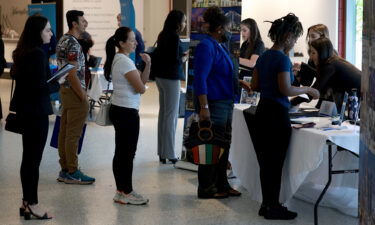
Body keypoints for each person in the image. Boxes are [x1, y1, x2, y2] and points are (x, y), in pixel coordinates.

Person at [241, 13, 320, 219]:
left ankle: (266, 204)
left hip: (262, 110)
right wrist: (307, 90)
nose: (295, 42)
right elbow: (285, 89)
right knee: (275, 164)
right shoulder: (282, 59)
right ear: (287, 36)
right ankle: (273, 206)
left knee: (266, 163)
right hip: (276, 114)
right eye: (294, 38)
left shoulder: (265, 56)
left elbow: (255, 85)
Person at [193, 6, 241, 199]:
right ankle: (206, 187)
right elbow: (200, 79)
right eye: (228, 27)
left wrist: (240, 82)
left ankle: (221, 183)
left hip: (226, 100)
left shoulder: (220, 45)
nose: (230, 30)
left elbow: (221, 72)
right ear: (220, 28)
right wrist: (204, 107)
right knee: (212, 145)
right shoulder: (207, 45)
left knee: (224, 145)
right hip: (214, 103)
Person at [11, 15, 54, 220]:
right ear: (37, 32)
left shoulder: (22, 52)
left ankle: (26, 202)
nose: (51, 33)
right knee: (32, 161)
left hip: (27, 112)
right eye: (47, 30)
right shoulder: (37, 54)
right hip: (36, 114)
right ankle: (32, 204)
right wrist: (59, 81)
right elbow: (39, 88)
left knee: (28, 159)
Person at [104, 26, 151, 205]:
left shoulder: (122, 59)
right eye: (132, 40)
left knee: (123, 151)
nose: (136, 43)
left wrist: (148, 64)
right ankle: (126, 190)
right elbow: (141, 89)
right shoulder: (124, 61)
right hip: (126, 112)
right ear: (122, 43)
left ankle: (121, 190)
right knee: (126, 153)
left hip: (123, 109)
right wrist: (142, 78)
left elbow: (143, 82)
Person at [56, 10, 95, 184]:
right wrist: (83, 95)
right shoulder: (72, 43)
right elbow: (72, 72)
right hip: (74, 91)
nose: (85, 23)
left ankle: (65, 169)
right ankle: (72, 170)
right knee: (73, 134)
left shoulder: (64, 40)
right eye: (82, 20)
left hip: (65, 90)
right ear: (74, 23)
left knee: (65, 132)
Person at [153, 10, 187, 164]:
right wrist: (185, 56)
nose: (185, 24)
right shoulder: (174, 36)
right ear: (177, 22)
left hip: (160, 77)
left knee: (164, 115)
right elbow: (174, 59)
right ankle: (170, 153)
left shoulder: (163, 34)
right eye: (184, 21)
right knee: (171, 116)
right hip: (171, 78)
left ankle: (162, 152)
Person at [309, 37, 361, 109]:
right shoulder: (333, 61)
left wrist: (291, 102)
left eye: (313, 53)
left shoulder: (329, 66)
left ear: (322, 53)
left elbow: (313, 91)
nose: (311, 56)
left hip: (362, 94)